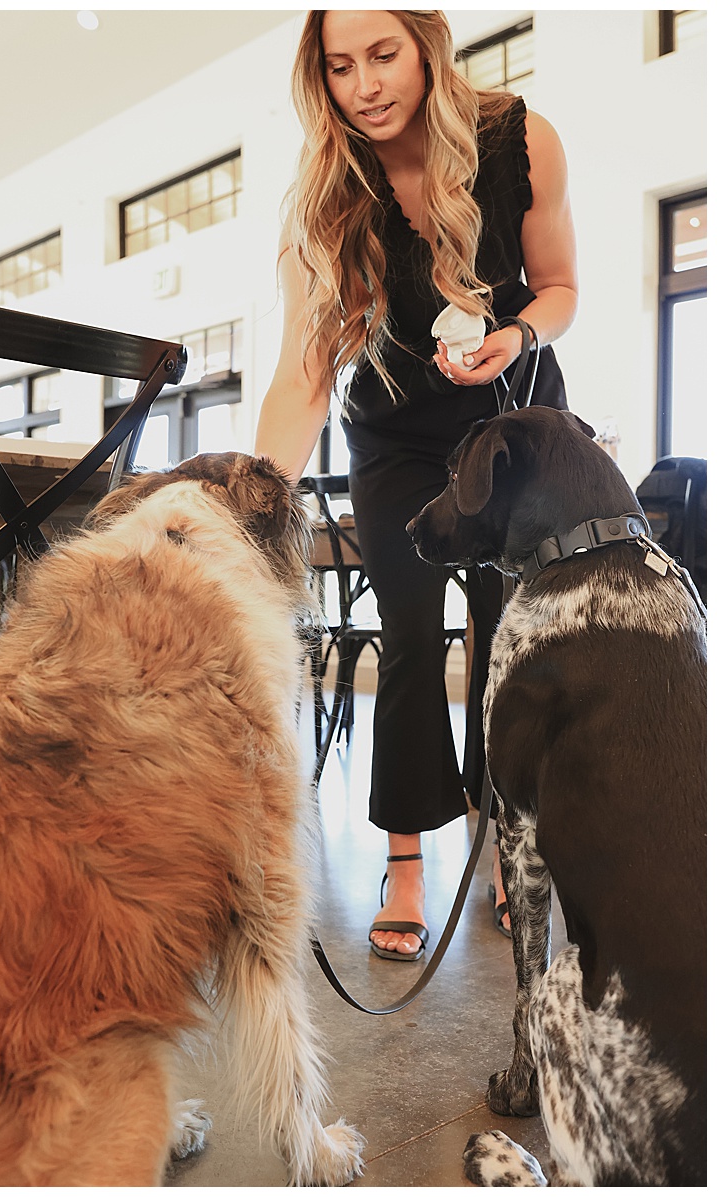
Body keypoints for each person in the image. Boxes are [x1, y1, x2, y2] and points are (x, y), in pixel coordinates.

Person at [254, 11, 578, 960]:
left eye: (383, 55)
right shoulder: (326, 197)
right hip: (396, 433)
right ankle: (404, 862)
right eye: (341, 66)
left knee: (510, 630)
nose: (365, 85)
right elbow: (302, 376)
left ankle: (515, 849)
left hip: (514, 418)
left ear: (428, 49)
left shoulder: (522, 141)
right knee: (403, 626)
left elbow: (559, 286)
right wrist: (255, 498)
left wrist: (517, 334)